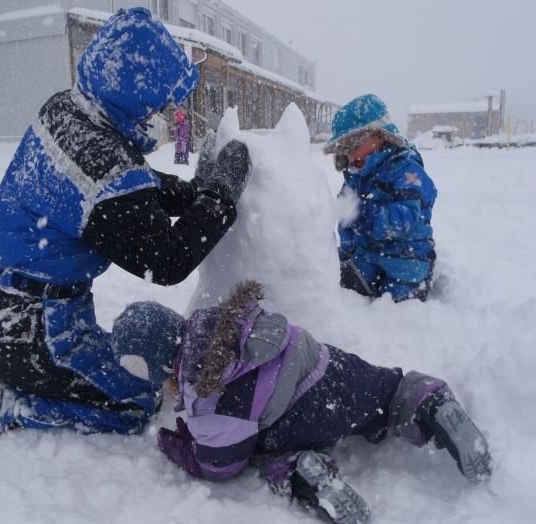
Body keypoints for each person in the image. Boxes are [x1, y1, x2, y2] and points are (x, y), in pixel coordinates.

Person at [0, 8, 252, 440]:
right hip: (34, 325)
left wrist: (192, 195)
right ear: (133, 93)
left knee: (116, 370)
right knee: (133, 402)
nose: (161, 112)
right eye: (158, 102)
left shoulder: (71, 112)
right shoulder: (97, 162)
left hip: (9, 307)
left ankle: (6, 363)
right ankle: (3, 405)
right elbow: (164, 260)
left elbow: (132, 185)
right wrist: (219, 199)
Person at [111, 281, 491, 523]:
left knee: (262, 450)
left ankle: (303, 472)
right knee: (386, 393)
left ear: (160, 368)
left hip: (300, 419)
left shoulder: (208, 401)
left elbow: (219, 465)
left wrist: (178, 443)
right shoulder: (217, 320)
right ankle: (427, 403)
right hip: (326, 365)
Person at [324, 94, 437, 302]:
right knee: (341, 282)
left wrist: (365, 214)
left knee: (400, 302)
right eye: (345, 151)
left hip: (407, 258)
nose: (350, 157)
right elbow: (346, 219)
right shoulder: (355, 177)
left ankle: (408, 299)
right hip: (369, 256)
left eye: (355, 147)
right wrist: (347, 252)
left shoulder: (406, 171)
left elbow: (405, 218)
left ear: (380, 135)